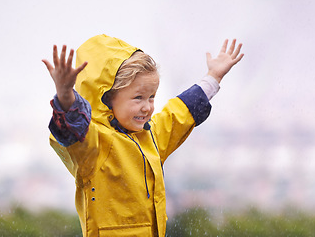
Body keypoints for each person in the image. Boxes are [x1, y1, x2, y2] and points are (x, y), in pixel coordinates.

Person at [42, 34, 243, 237]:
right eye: (138, 97)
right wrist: (66, 96)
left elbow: (180, 112)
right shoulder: (94, 145)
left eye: (152, 97)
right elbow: (72, 129)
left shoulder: (151, 136)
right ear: (108, 98)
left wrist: (213, 77)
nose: (147, 107)